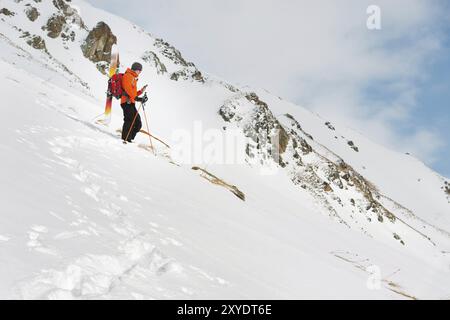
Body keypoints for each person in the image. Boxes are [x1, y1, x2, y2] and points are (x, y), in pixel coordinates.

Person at [121, 62, 148, 143]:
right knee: (129, 121)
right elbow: (128, 90)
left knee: (138, 123)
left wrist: (140, 92)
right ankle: (125, 138)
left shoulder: (133, 77)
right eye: (139, 70)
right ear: (136, 69)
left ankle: (129, 138)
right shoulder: (128, 76)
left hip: (131, 102)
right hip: (126, 102)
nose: (140, 72)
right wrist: (137, 98)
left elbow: (133, 92)